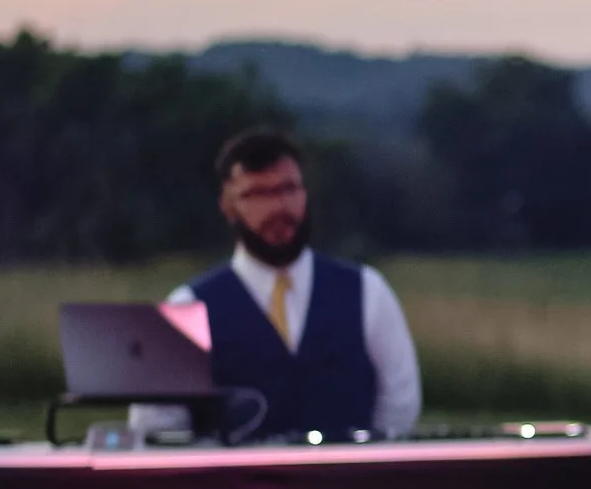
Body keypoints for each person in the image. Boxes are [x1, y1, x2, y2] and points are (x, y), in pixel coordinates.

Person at [167, 130, 422, 441]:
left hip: (347, 484)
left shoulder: (368, 291)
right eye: (258, 194)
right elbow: (161, 426)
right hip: (235, 488)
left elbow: (400, 404)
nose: (279, 206)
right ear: (228, 205)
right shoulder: (187, 308)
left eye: (289, 189)